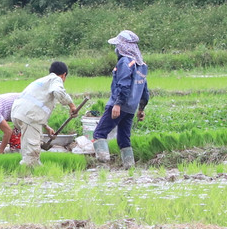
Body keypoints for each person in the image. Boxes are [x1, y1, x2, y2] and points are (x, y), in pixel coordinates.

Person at [91, 30, 150, 168]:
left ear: (123, 46)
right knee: (124, 139)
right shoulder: (142, 65)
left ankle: (103, 164)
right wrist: (141, 109)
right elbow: (144, 90)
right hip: (131, 108)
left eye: (118, 46)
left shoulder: (125, 62)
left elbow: (123, 85)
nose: (116, 49)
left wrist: (117, 104)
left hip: (118, 105)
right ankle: (129, 167)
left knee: (99, 133)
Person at [10, 61, 78, 167]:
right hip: (29, 116)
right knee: (32, 150)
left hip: (18, 114)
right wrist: (72, 105)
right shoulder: (56, 79)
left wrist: (45, 126)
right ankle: (29, 173)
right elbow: (58, 92)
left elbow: (37, 104)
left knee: (27, 146)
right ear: (64, 75)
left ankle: (31, 170)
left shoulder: (42, 80)